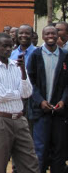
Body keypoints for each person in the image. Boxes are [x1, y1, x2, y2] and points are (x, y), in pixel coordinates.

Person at [0, 32, 39, 173]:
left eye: (11, 46)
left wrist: (23, 73)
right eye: (4, 46)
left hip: (20, 120)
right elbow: (1, 95)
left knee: (30, 164)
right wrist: (17, 92)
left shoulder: (17, 66)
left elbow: (27, 93)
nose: (8, 49)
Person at [27, 25, 68, 173]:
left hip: (59, 112)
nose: (50, 35)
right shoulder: (36, 55)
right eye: (47, 33)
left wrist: (63, 100)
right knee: (41, 149)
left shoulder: (65, 56)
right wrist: (40, 101)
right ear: (42, 36)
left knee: (59, 150)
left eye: (53, 33)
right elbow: (30, 81)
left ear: (58, 36)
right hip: (41, 112)